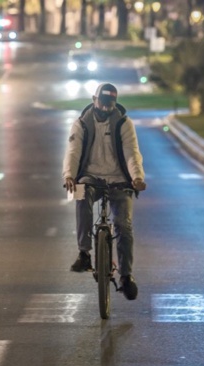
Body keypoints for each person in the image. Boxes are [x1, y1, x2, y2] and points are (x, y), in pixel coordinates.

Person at [63, 83, 147, 300]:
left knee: (123, 225)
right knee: (80, 196)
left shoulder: (124, 123)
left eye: (110, 104)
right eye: (103, 103)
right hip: (91, 177)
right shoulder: (82, 123)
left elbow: (132, 153)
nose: (106, 108)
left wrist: (137, 177)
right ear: (94, 99)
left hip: (120, 179)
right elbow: (73, 152)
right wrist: (69, 176)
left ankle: (126, 276)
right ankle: (84, 253)